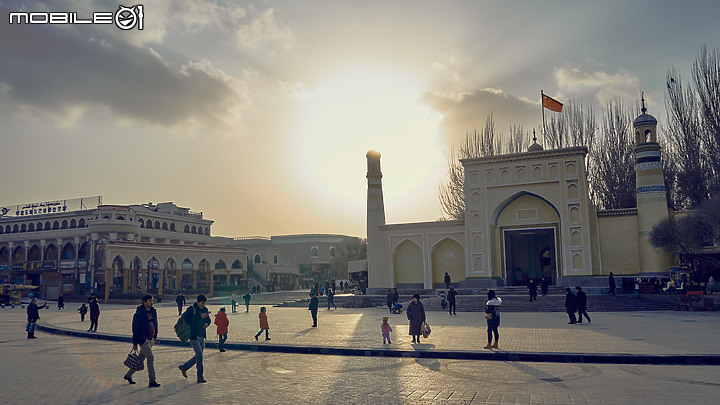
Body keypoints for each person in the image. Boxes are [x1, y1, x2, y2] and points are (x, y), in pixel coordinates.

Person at [123, 294, 160, 387]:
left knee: (140, 359)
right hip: (143, 340)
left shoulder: (153, 311)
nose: (152, 302)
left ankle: (128, 375)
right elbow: (135, 329)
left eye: (152, 300)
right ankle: (152, 380)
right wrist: (135, 343)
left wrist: (155, 336)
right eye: (150, 301)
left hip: (151, 339)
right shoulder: (139, 314)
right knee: (150, 358)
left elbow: (156, 324)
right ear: (144, 302)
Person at [178, 294, 211, 383]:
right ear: (198, 301)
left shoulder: (205, 309)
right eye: (201, 303)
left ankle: (184, 367)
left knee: (198, 356)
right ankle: (200, 376)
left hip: (201, 335)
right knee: (199, 355)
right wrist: (200, 317)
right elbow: (187, 320)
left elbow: (208, 319)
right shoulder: (192, 309)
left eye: (204, 303)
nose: (203, 305)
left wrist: (207, 323)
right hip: (193, 335)